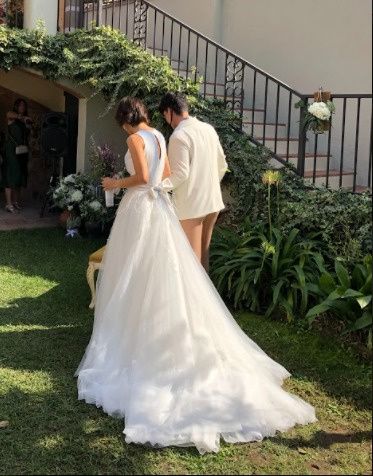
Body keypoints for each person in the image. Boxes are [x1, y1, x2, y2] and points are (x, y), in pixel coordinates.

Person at [75, 97, 316, 455]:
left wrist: (114, 182)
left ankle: (136, 328)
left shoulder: (136, 139)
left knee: (135, 269)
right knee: (170, 266)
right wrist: (156, 186)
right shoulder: (159, 134)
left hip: (141, 205)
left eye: (121, 122)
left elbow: (142, 177)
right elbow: (168, 173)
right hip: (160, 206)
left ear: (126, 120)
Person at [159, 92, 227, 272]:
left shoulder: (179, 135)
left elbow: (180, 174)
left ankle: (194, 301)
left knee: (192, 264)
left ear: (169, 111)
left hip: (192, 207)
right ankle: (207, 300)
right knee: (203, 259)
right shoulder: (208, 129)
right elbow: (222, 165)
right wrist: (208, 185)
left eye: (164, 115)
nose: (167, 120)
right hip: (212, 202)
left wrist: (158, 187)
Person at [0, 98, 32, 213]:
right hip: (11, 151)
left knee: (19, 176)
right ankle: (8, 204)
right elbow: (8, 113)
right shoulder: (12, 116)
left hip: (22, 151)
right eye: (20, 105)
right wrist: (22, 117)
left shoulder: (25, 121)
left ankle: (15, 202)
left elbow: (27, 135)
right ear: (16, 106)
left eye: (24, 106)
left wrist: (28, 124)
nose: (22, 107)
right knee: (10, 175)